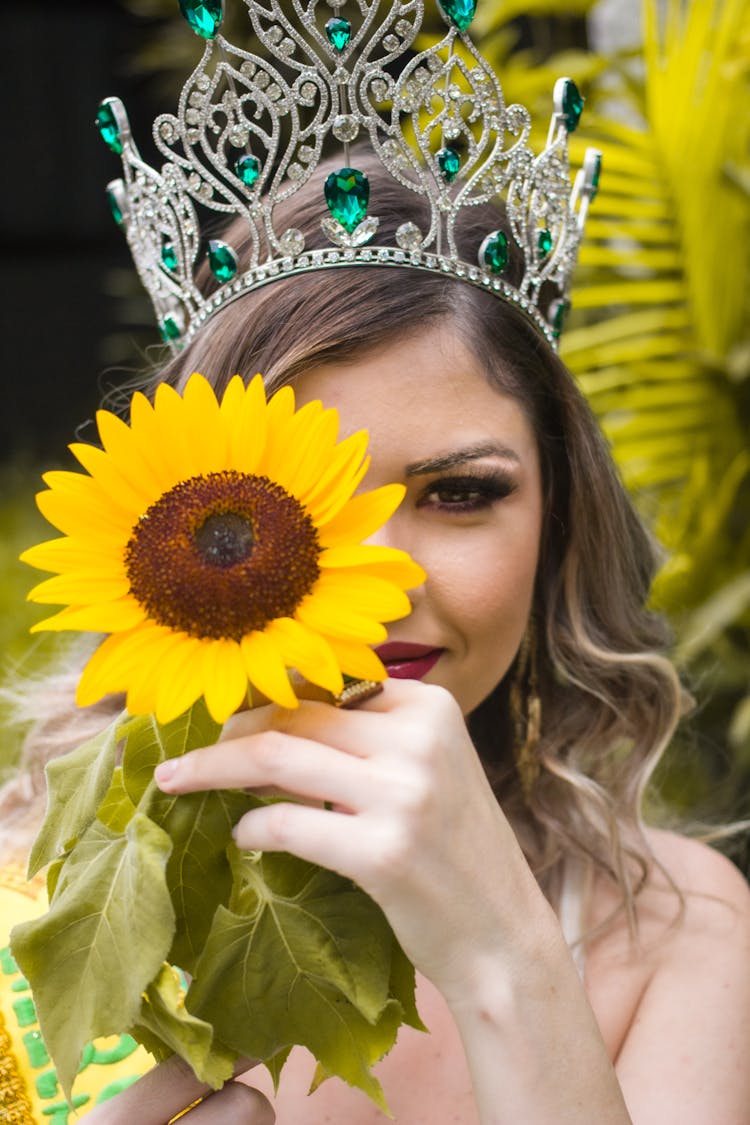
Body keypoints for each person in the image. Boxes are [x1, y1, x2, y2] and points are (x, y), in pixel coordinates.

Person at [3, 147, 749, 1123]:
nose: (381, 580)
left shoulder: (674, 931)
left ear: (558, 523)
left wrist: (509, 961)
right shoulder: (32, 896)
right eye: (316, 510)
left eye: (460, 494)